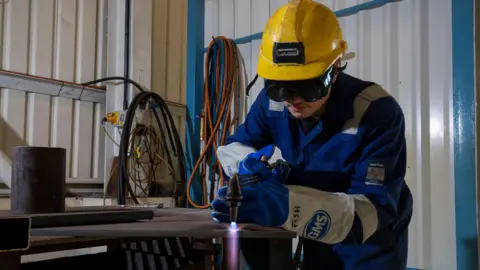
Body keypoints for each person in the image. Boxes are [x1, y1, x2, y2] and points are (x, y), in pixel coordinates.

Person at [211, 0, 413, 269]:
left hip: (367, 250)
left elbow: (370, 212)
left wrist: (287, 206)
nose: (292, 100)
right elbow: (234, 145)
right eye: (280, 87)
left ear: (336, 68)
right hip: (314, 236)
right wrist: (250, 168)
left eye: (306, 87)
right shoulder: (273, 103)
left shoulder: (375, 113)